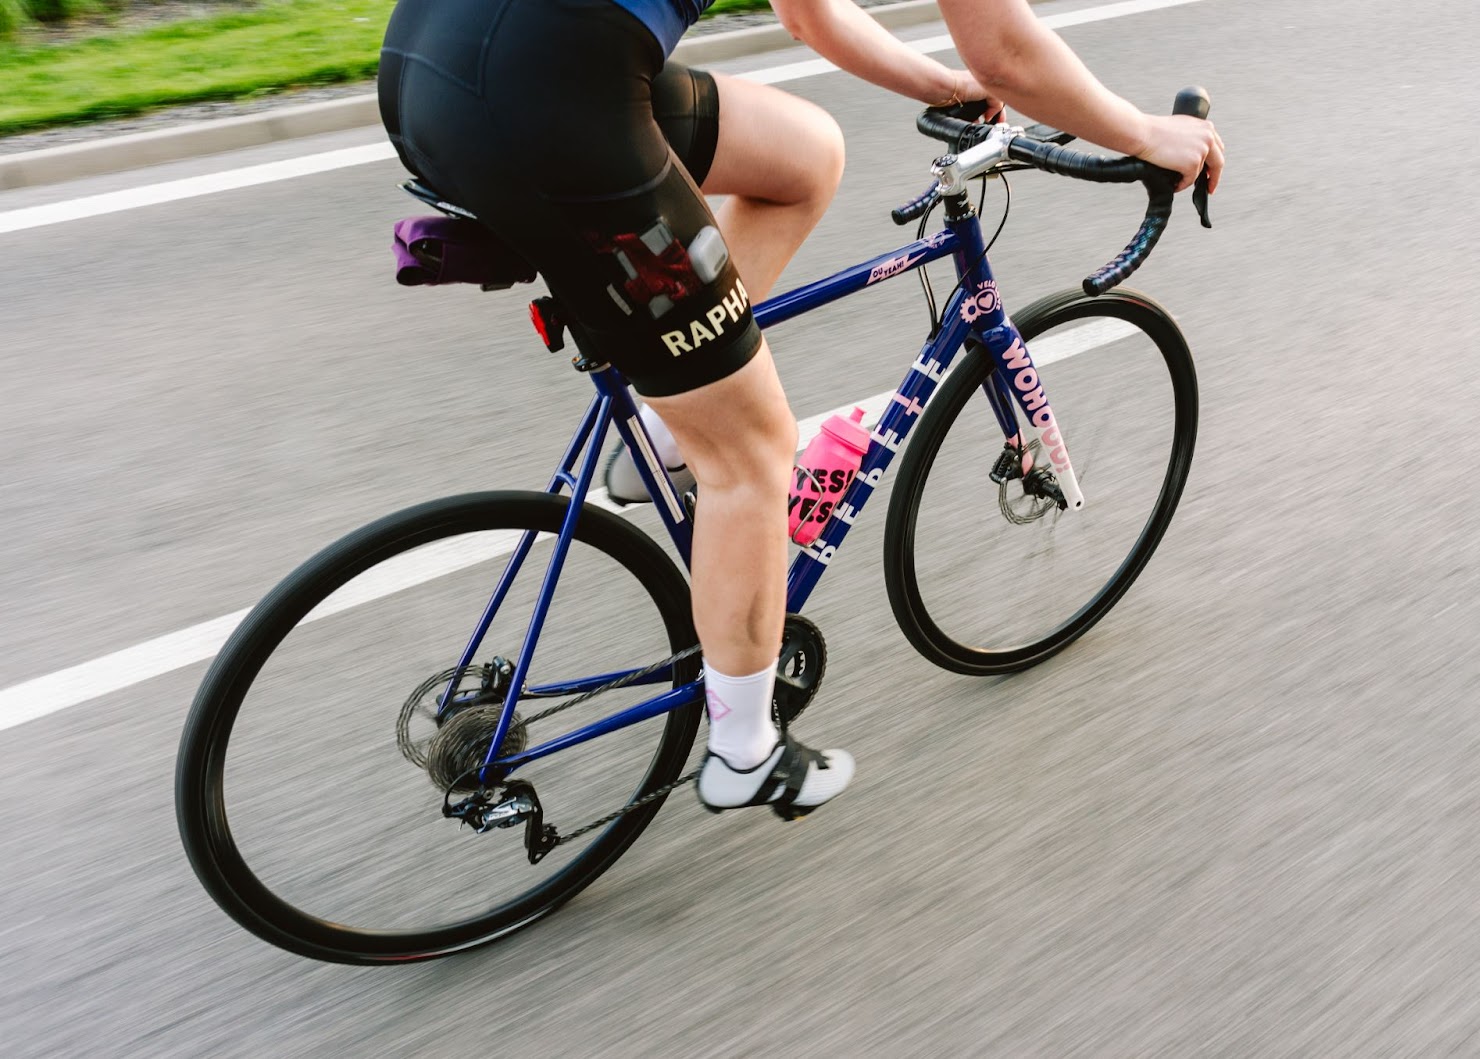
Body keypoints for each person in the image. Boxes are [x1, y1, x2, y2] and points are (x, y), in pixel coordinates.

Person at [378, 0, 1224, 819]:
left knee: (803, 154)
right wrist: (1149, 136)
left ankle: (668, 427)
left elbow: (809, 13)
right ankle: (744, 752)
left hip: (436, 62)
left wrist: (940, 85)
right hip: (545, 95)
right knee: (752, 451)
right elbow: (1005, 50)